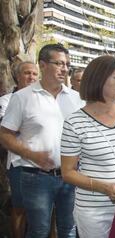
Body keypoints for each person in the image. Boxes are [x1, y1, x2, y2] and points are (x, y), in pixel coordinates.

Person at [0, 43, 83, 237]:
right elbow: (4, 134)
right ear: (43, 65)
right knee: (39, 231)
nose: (65, 68)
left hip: (70, 176)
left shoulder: (76, 98)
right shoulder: (22, 97)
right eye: (59, 63)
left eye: (67, 64)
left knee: (69, 229)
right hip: (36, 177)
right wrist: (32, 154)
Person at [60, 55, 115, 238]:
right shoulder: (74, 122)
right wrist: (105, 188)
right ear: (98, 79)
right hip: (93, 212)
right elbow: (68, 172)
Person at [0, 61, 38, 238]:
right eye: (27, 73)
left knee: (42, 210)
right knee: (20, 208)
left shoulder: (44, 99)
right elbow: (10, 131)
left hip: (44, 166)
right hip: (19, 164)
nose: (31, 77)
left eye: (34, 74)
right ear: (17, 76)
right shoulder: (6, 101)